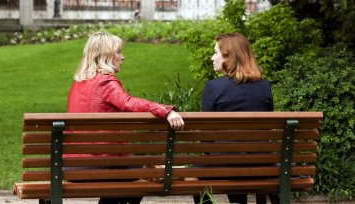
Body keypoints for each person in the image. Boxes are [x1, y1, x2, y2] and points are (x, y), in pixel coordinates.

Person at [67, 31, 185, 204]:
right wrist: (166, 111)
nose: (122, 57)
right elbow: (129, 102)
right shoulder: (105, 82)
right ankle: (171, 171)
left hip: (73, 166)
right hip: (101, 164)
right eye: (118, 52)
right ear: (105, 55)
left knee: (140, 171)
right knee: (148, 174)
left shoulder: (78, 83)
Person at [192, 33, 277, 204]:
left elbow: (205, 136)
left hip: (225, 164)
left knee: (195, 176)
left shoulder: (213, 87)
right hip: (261, 164)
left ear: (228, 56)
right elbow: (266, 130)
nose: (212, 57)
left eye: (216, 52)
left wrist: (211, 154)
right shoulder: (264, 86)